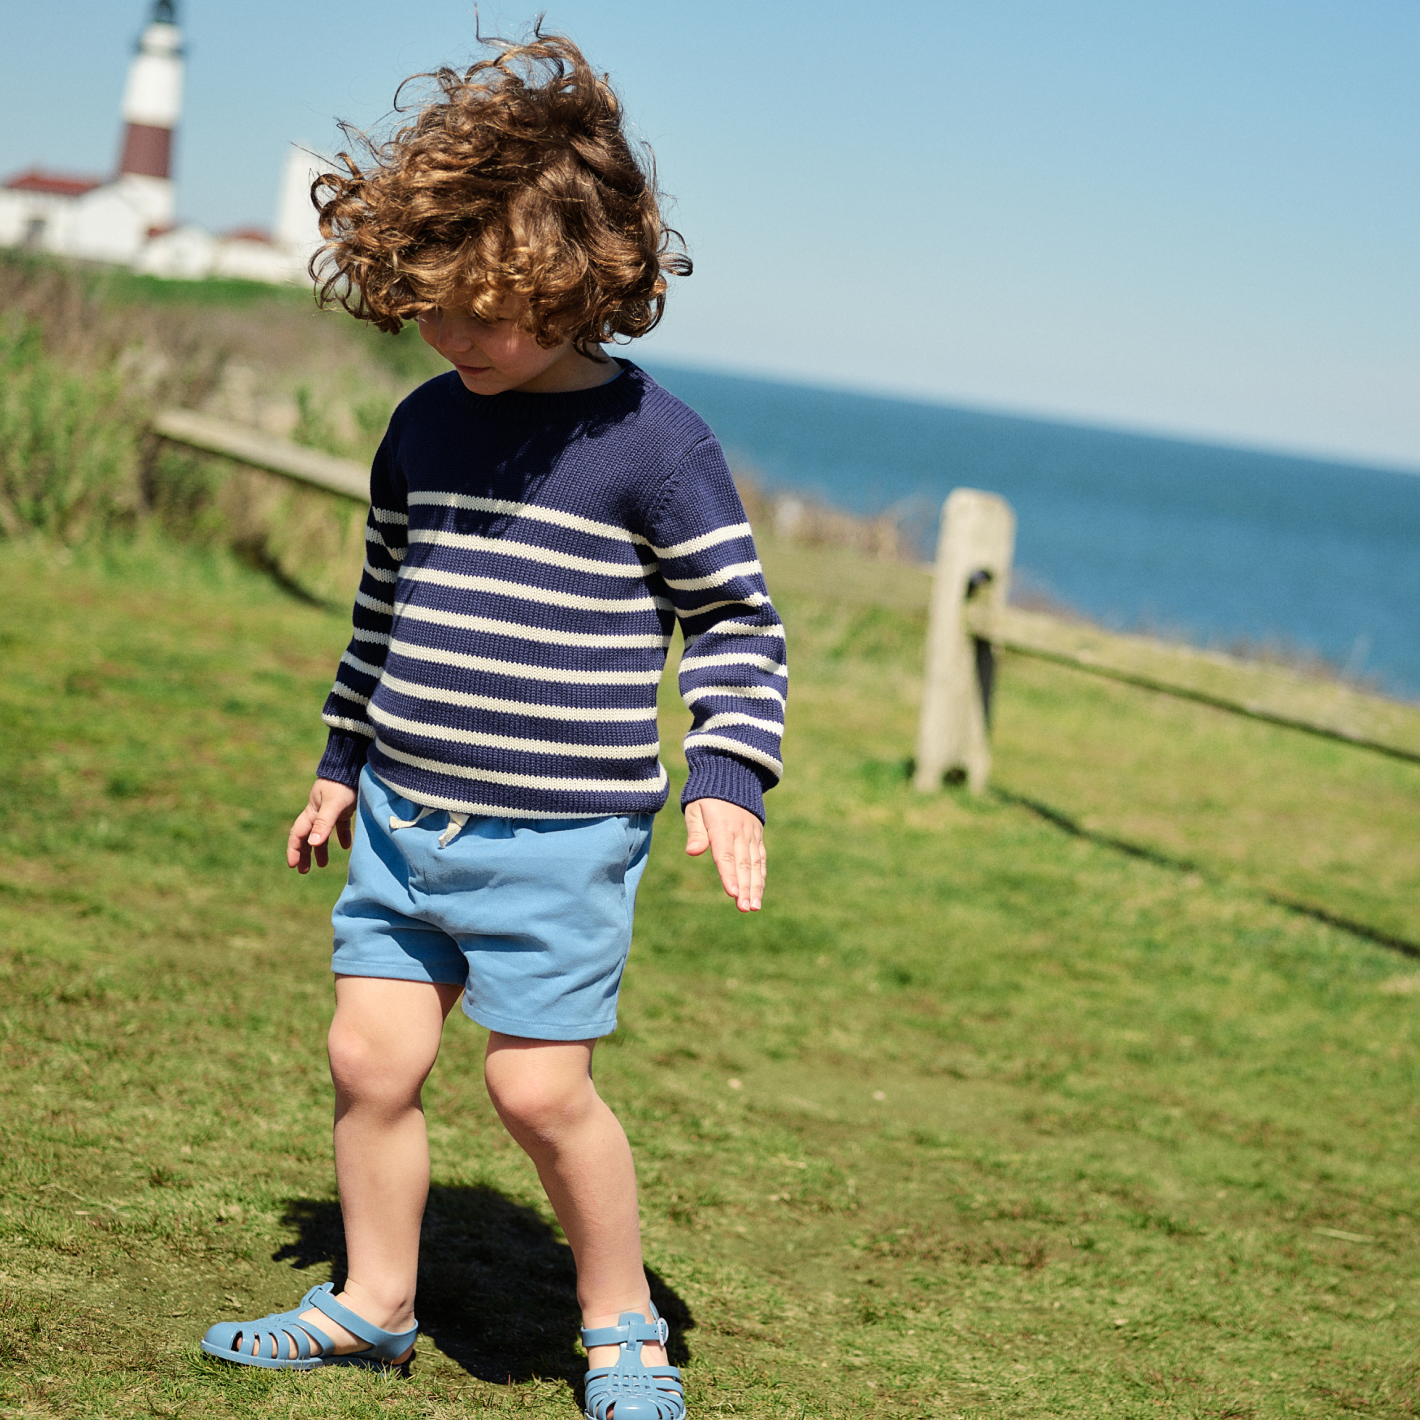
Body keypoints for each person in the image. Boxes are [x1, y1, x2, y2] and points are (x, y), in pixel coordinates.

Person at [197, 30, 785, 1420]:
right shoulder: (423, 426)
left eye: (480, 312)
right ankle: (375, 1303)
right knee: (369, 1059)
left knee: (536, 1093)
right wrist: (339, 764)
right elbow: (383, 607)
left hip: (561, 837)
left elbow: (740, 622)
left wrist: (729, 773)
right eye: (429, 306)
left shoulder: (656, 446)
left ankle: (622, 1323)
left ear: (578, 281)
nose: (448, 336)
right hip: (406, 815)